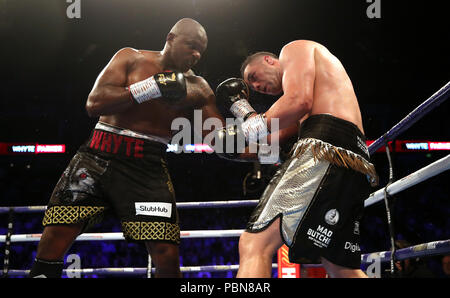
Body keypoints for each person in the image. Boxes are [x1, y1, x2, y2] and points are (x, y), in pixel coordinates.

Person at [29, 18, 224, 278]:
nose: (196, 54)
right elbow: (94, 104)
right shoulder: (129, 57)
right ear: (171, 38)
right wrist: (151, 87)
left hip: (147, 167)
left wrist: (249, 119)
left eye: (201, 49)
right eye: (191, 45)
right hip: (96, 158)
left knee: (166, 254)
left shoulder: (198, 88)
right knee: (54, 238)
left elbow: (219, 140)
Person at [216, 40, 378, 277]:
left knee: (254, 245)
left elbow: (298, 100)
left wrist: (246, 129)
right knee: (338, 265)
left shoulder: (294, 49)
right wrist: (233, 149)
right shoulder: (317, 96)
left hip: (324, 150)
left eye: (253, 77)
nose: (257, 85)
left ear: (269, 60)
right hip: (351, 159)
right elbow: (272, 142)